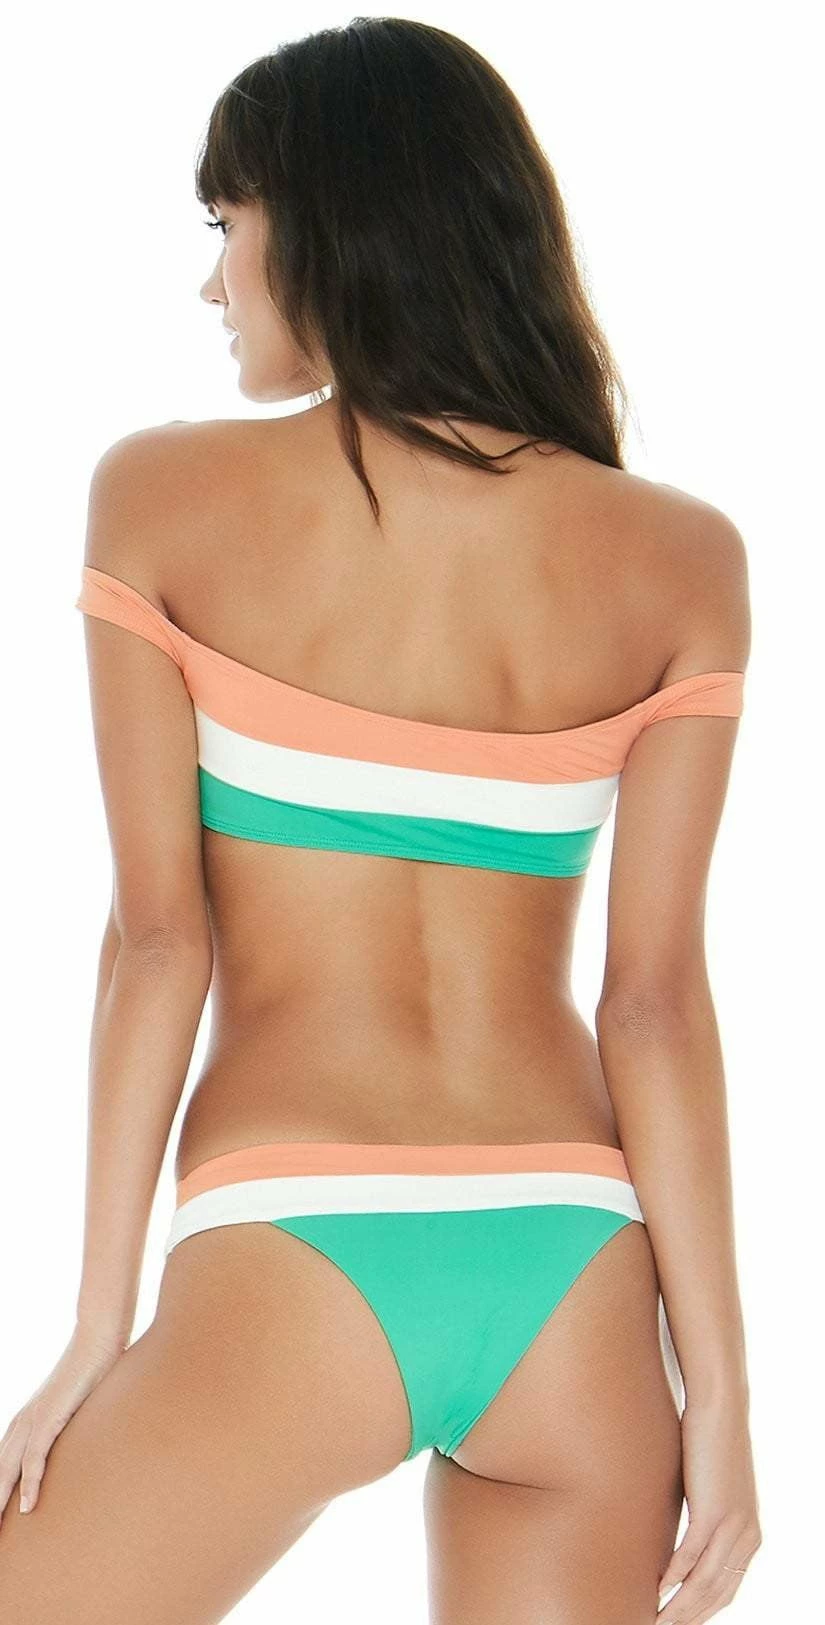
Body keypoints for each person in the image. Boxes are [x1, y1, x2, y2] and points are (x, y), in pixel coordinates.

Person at [0, 16, 760, 1623]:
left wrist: (95, 1326)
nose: (212, 283)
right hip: (576, 1271)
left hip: (299, 1241)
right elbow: (654, 1006)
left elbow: (157, 945)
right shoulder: (683, 556)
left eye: (227, 223)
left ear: (329, 221)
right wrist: (725, 1402)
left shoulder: (161, 496)